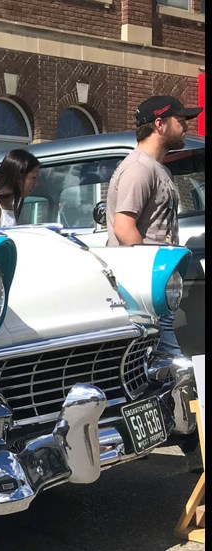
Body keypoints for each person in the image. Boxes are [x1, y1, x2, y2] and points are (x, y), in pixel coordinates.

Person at [105, 95, 203, 358]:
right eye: (180, 121)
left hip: (157, 294)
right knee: (170, 367)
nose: (186, 127)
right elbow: (123, 227)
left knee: (162, 371)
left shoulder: (157, 168)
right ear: (159, 124)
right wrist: (151, 282)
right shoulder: (138, 168)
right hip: (145, 296)